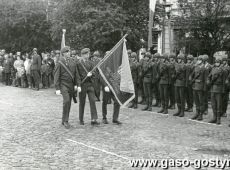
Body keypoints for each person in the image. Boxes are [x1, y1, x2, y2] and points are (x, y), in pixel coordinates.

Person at [54, 46, 81, 129]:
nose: (68, 53)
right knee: (66, 100)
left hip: (71, 85)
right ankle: (65, 121)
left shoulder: (73, 62)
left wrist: (78, 84)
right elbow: (56, 76)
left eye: (69, 51)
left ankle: (64, 119)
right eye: (66, 52)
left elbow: (76, 74)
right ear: (63, 54)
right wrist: (57, 88)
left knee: (68, 103)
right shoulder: (60, 62)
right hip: (63, 84)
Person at [76, 48, 99, 125]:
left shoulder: (91, 63)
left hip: (90, 84)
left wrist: (91, 74)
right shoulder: (79, 63)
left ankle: (94, 119)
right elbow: (77, 76)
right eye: (86, 54)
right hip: (82, 85)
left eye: (88, 54)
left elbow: (95, 73)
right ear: (82, 55)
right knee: (82, 102)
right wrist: (78, 85)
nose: (87, 55)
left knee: (92, 101)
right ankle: (81, 119)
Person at [207, 55, 224, 125]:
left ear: (220, 63)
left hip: (219, 88)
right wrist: (208, 81)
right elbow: (209, 76)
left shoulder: (222, 70)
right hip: (213, 88)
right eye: (216, 62)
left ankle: (218, 118)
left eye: (218, 62)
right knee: (213, 104)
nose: (217, 63)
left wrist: (223, 90)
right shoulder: (213, 69)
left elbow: (223, 81)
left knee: (218, 104)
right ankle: (214, 117)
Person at [190, 55, 206, 120]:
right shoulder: (195, 67)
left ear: (202, 61)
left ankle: (200, 114)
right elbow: (192, 75)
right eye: (198, 60)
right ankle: (197, 113)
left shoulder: (204, 69)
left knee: (201, 101)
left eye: (200, 60)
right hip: (195, 86)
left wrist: (204, 88)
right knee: (196, 101)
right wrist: (192, 82)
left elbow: (205, 79)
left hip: (201, 87)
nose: (198, 61)